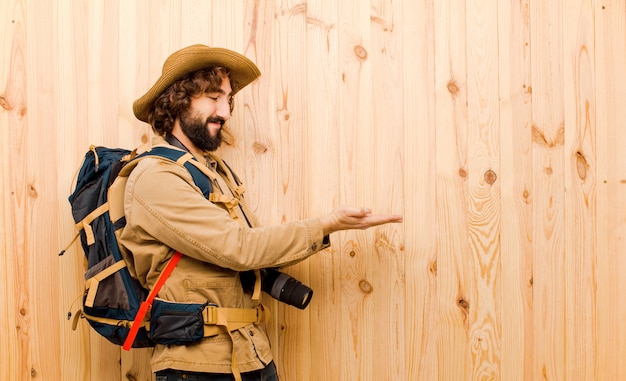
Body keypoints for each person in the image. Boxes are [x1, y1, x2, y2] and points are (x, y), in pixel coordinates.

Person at [120, 44, 403, 381]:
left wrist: (328, 229)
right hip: (197, 369)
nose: (225, 112)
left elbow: (253, 249)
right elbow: (239, 249)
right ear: (176, 101)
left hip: (252, 355)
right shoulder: (156, 176)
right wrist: (326, 223)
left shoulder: (213, 171)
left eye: (228, 100)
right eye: (213, 97)